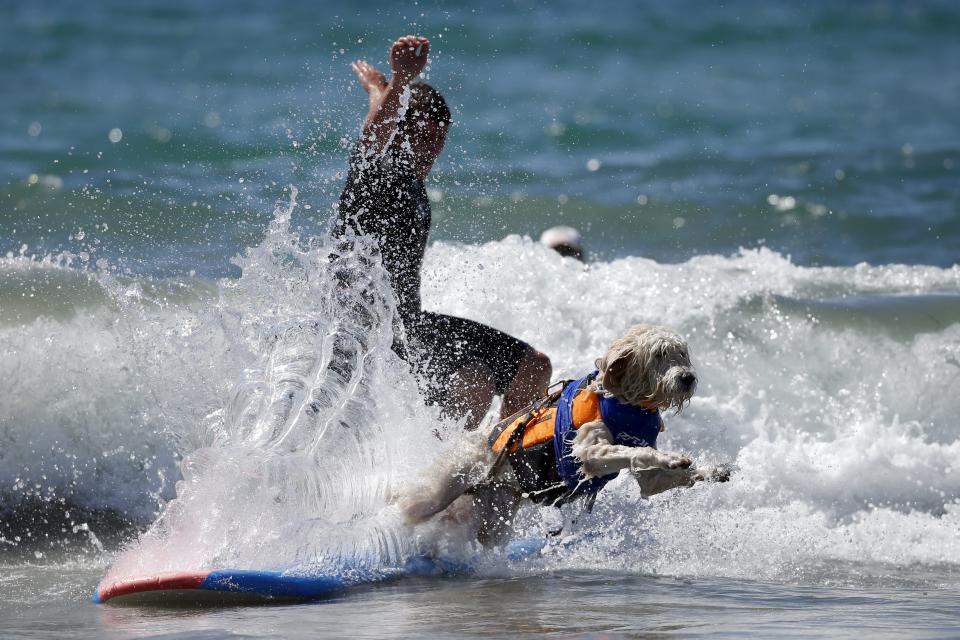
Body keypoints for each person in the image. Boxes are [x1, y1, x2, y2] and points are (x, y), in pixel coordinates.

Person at [334, 35, 551, 429]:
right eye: (421, 137)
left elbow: (383, 124)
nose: (430, 150)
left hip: (409, 326)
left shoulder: (417, 190)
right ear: (400, 133)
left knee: (534, 367)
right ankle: (443, 477)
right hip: (365, 334)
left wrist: (379, 89)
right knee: (475, 384)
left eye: (438, 139)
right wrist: (397, 83)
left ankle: (505, 472)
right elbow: (373, 136)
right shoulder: (375, 176)